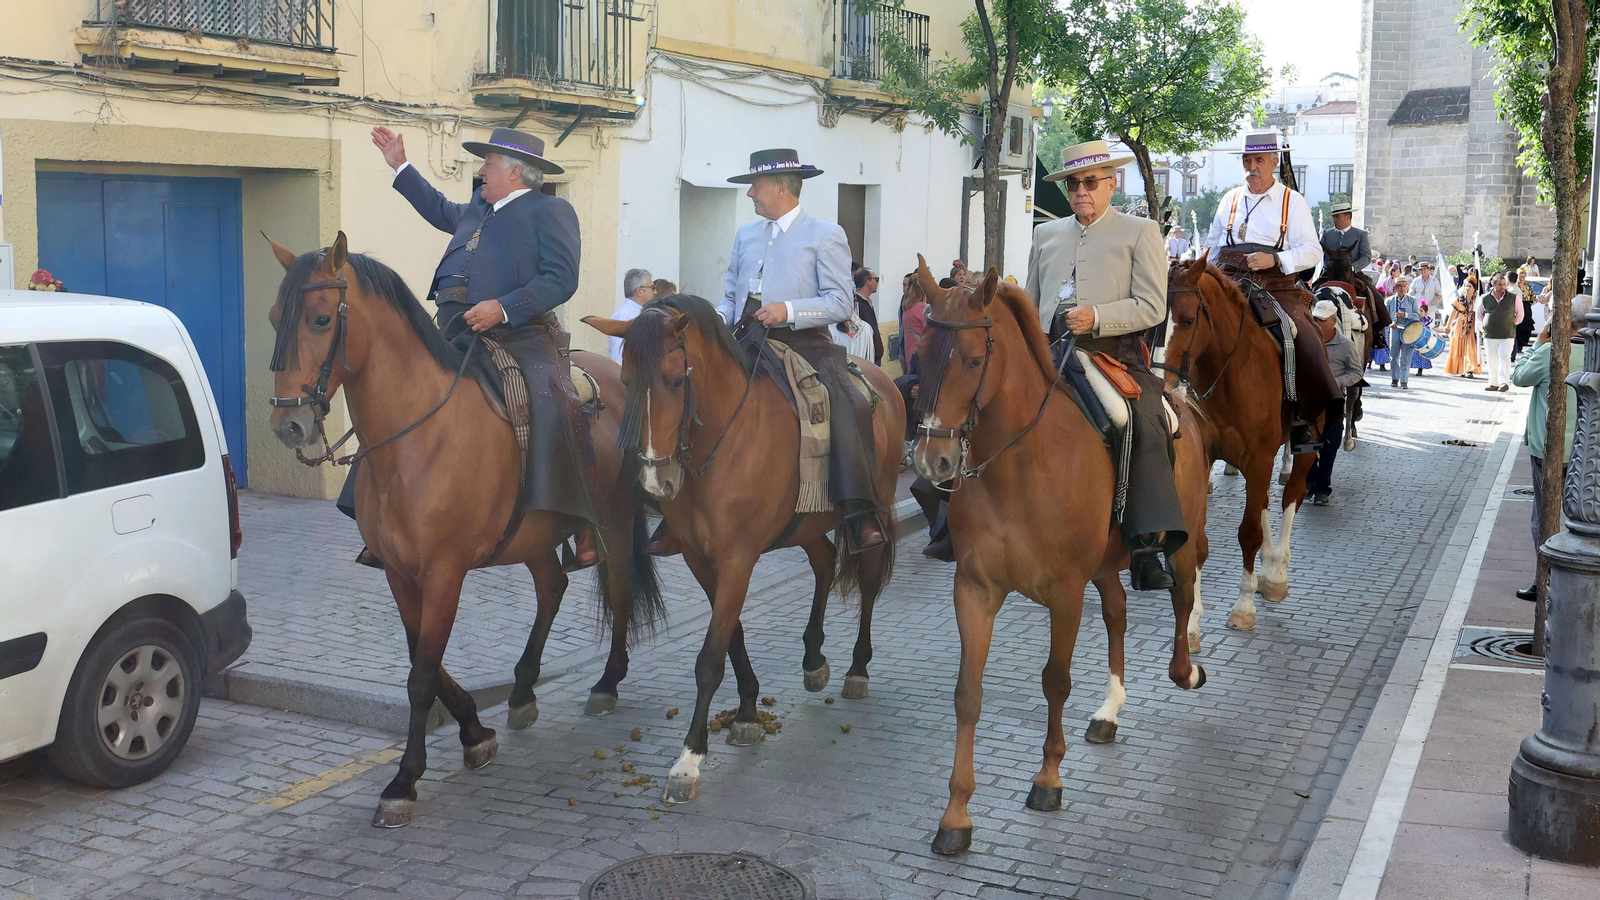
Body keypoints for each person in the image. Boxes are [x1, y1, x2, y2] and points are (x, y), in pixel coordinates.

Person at [361, 125, 598, 567]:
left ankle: (579, 519)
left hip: (518, 332)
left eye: (487, 164)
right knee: (394, 396)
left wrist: (503, 308)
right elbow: (438, 209)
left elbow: (561, 279)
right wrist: (400, 165)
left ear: (514, 171)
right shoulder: (477, 207)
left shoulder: (551, 210)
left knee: (555, 401)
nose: (480, 170)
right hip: (453, 329)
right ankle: (380, 520)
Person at [1033, 139, 1186, 590]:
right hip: (1048, 350)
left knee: (1139, 419)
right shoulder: (1046, 234)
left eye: (1090, 182)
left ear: (1111, 184)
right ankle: (952, 514)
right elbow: (1030, 297)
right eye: (1074, 184)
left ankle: (1146, 542)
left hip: (1111, 354)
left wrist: (1097, 316)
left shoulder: (1140, 231)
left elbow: (1153, 306)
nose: (1081, 191)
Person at [719, 148, 884, 552]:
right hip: (744, 340)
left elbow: (841, 303)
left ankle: (859, 512)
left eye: (754, 187)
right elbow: (728, 297)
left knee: (847, 401)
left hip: (804, 343)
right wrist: (709, 318)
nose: (749, 195)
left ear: (780, 188)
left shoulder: (825, 233)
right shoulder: (745, 235)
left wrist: (788, 310)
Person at [1205, 131, 1340, 453]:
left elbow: (1311, 251)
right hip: (1228, 279)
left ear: (1274, 163)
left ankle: (1305, 419)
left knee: (1303, 336)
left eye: (1259, 161)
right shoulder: (1230, 199)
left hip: (1274, 285)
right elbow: (1212, 244)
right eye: (1247, 161)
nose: (1252, 167)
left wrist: (1276, 259)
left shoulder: (1292, 201)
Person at [1511, 293, 1589, 600]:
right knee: (1581, 518)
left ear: (1566, 322)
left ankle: (1544, 580)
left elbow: (1519, 376)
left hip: (1549, 449)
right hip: (1587, 449)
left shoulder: (1554, 351)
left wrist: (1540, 342)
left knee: (1545, 517)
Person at [1306, 299, 1366, 506]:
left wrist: (1337, 382)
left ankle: (1323, 488)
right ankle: (1310, 481)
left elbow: (1357, 372)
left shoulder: (1346, 345)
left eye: (1321, 320)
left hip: (1333, 401)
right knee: (1306, 443)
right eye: (1314, 318)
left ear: (1333, 321)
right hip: (1310, 399)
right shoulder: (1307, 340)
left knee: (1329, 446)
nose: (1317, 323)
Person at [1480, 272, 1519, 391]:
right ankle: (1493, 382)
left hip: (1507, 334)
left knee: (1504, 357)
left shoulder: (1513, 297)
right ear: (1493, 284)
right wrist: (1483, 327)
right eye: (1500, 284)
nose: (1502, 287)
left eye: (1504, 284)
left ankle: (1504, 382)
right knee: (1492, 359)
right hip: (1490, 334)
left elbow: (1520, 314)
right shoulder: (1485, 298)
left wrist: (1511, 323)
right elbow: (1479, 315)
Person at [608, 268, 653, 364]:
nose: (655, 292)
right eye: (652, 288)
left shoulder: (643, 313)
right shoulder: (624, 316)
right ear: (640, 291)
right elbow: (619, 357)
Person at [843, 267, 884, 364]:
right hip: (865, 358)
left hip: (874, 355)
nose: (877, 283)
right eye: (876, 279)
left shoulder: (867, 302)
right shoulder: (855, 304)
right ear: (868, 281)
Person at [1386, 275, 1421, 389]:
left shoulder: (1412, 300)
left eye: (1404, 286)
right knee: (1394, 355)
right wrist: (1391, 323)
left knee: (1406, 357)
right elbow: (1385, 317)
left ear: (1407, 287)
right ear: (1395, 288)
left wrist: (1405, 315)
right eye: (1399, 286)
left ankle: (1404, 381)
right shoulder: (1389, 301)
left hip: (1408, 330)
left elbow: (1417, 316)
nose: (1402, 288)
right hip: (1395, 329)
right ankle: (1395, 378)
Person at [1444, 281, 1482, 378]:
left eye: (1470, 286)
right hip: (1460, 325)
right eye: (1466, 286)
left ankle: (1469, 369)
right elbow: (1453, 313)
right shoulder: (1460, 299)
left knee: (1470, 346)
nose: (1467, 288)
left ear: (1474, 289)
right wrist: (1448, 325)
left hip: (1471, 326)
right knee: (1459, 346)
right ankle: (1460, 368)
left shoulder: (1477, 300)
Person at [1319, 201, 1372, 271]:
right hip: (1328, 274)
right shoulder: (1327, 234)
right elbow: (1317, 251)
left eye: (1337, 217)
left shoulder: (1361, 235)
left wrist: (1352, 267)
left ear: (1348, 217)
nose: (1334, 220)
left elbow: (1366, 257)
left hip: (1352, 274)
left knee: (1366, 282)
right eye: (1333, 217)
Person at [1513, 270, 1536, 359]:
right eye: (1520, 276)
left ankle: (1522, 344)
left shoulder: (1527, 286)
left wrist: (1534, 301)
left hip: (1526, 306)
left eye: (1524, 276)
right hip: (1518, 305)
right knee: (1518, 326)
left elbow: (1532, 297)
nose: (1522, 278)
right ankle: (1517, 345)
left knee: (1526, 326)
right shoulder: (1515, 286)